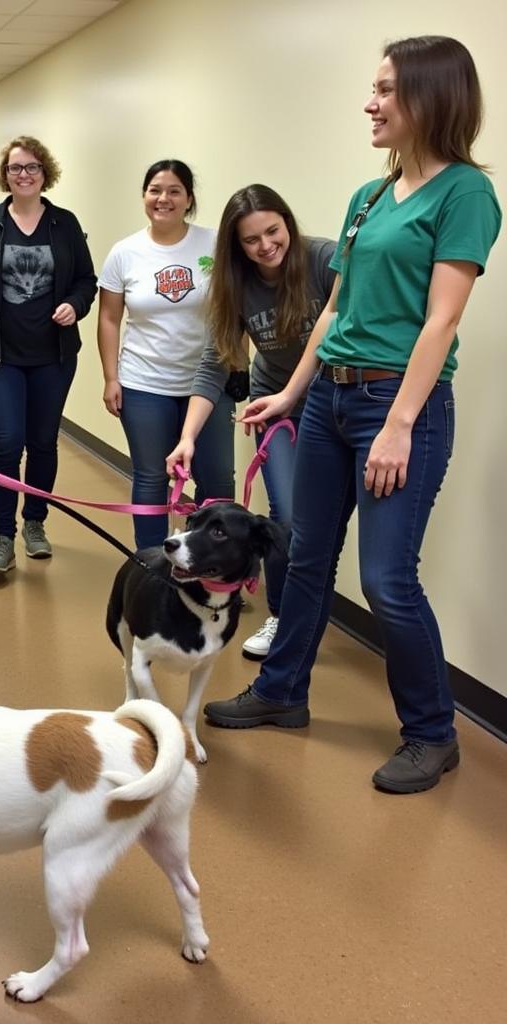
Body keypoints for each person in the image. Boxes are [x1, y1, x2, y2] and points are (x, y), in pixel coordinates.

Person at [203, 36, 501, 794]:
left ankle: (433, 733)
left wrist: (400, 422)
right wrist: (293, 391)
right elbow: (333, 308)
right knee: (304, 554)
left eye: (385, 90)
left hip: (399, 405)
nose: (370, 103)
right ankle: (282, 691)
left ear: (431, 97)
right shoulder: (369, 197)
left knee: (387, 581)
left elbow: (440, 322)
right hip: (333, 394)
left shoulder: (466, 193)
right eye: (373, 88)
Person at [166, 185, 337, 659]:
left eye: (272, 231)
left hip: (330, 400)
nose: (265, 246)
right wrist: (187, 438)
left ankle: (309, 617)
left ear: (287, 223)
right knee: (286, 517)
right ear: (235, 246)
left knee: (323, 525)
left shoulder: (323, 260)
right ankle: (282, 616)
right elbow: (214, 364)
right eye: (250, 240)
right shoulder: (237, 285)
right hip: (273, 405)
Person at [0, 135, 97, 573]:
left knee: (43, 443)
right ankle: (2, 535)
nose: (24, 174)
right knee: (7, 443)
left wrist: (76, 304)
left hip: (54, 356)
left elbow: (87, 280)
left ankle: (35, 523)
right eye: (15, 168)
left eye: (31, 167)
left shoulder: (64, 224)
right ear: (4, 175)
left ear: (45, 174)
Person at [97, 159, 234, 552]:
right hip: (144, 383)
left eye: (175, 190)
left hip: (208, 384)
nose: (164, 198)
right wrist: (111, 377)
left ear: (189, 199)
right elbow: (109, 318)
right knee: (151, 478)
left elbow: (235, 306)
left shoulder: (213, 244)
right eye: (155, 190)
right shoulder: (125, 252)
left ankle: (214, 563)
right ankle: (152, 563)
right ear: (144, 196)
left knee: (217, 480)